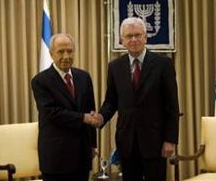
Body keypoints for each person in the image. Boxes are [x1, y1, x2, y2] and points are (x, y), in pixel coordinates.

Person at [93, 17, 179, 181]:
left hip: (155, 141)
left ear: (145, 37)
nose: (133, 39)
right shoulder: (115, 67)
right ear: (122, 40)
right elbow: (111, 101)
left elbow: (172, 106)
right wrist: (101, 117)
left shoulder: (163, 64)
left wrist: (170, 140)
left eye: (138, 35)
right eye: (129, 36)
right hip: (127, 141)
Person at [31, 33, 97, 181]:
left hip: (82, 154)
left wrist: (93, 144)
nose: (66, 56)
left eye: (70, 51)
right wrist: (83, 118)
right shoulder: (40, 81)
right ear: (51, 53)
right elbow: (51, 113)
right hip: (56, 157)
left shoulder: (84, 77)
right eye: (61, 51)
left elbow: (90, 111)